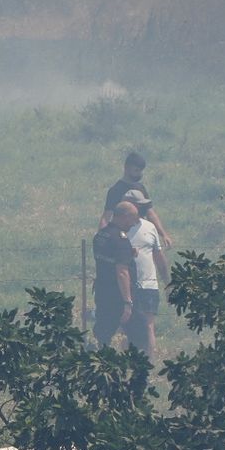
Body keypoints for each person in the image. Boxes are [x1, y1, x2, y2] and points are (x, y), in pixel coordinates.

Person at [121, 189, 169, 358]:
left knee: (148, 325)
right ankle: (127, 360)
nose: (141, 210)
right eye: (137, 206)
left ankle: (149, 362)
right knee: (126, 325)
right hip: (126, 285)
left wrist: (166, 281)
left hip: (148, 284)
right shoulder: (119, 230)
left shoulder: (150, 227)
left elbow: (158, 255)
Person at [99, 151, 172, 248]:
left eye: (141, 171)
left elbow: (150, 214)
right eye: (136, 170)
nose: (139, 174)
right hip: (124, 234)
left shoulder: (141, 188)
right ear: (126, 168)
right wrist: (102, 237)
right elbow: (106, 217)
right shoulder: (115, 190)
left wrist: (163, 234)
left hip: (141, 233)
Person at [92, 201, 136, 350]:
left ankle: (100, 356)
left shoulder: (101, 235)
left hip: (101, 290)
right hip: (116, 295)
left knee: (103, 330)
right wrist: (127, 303)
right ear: (125, 217)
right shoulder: (121, 240)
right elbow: (122, 272)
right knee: (131, 330)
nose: (134, 223)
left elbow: (106, 259)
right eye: (133, 219)